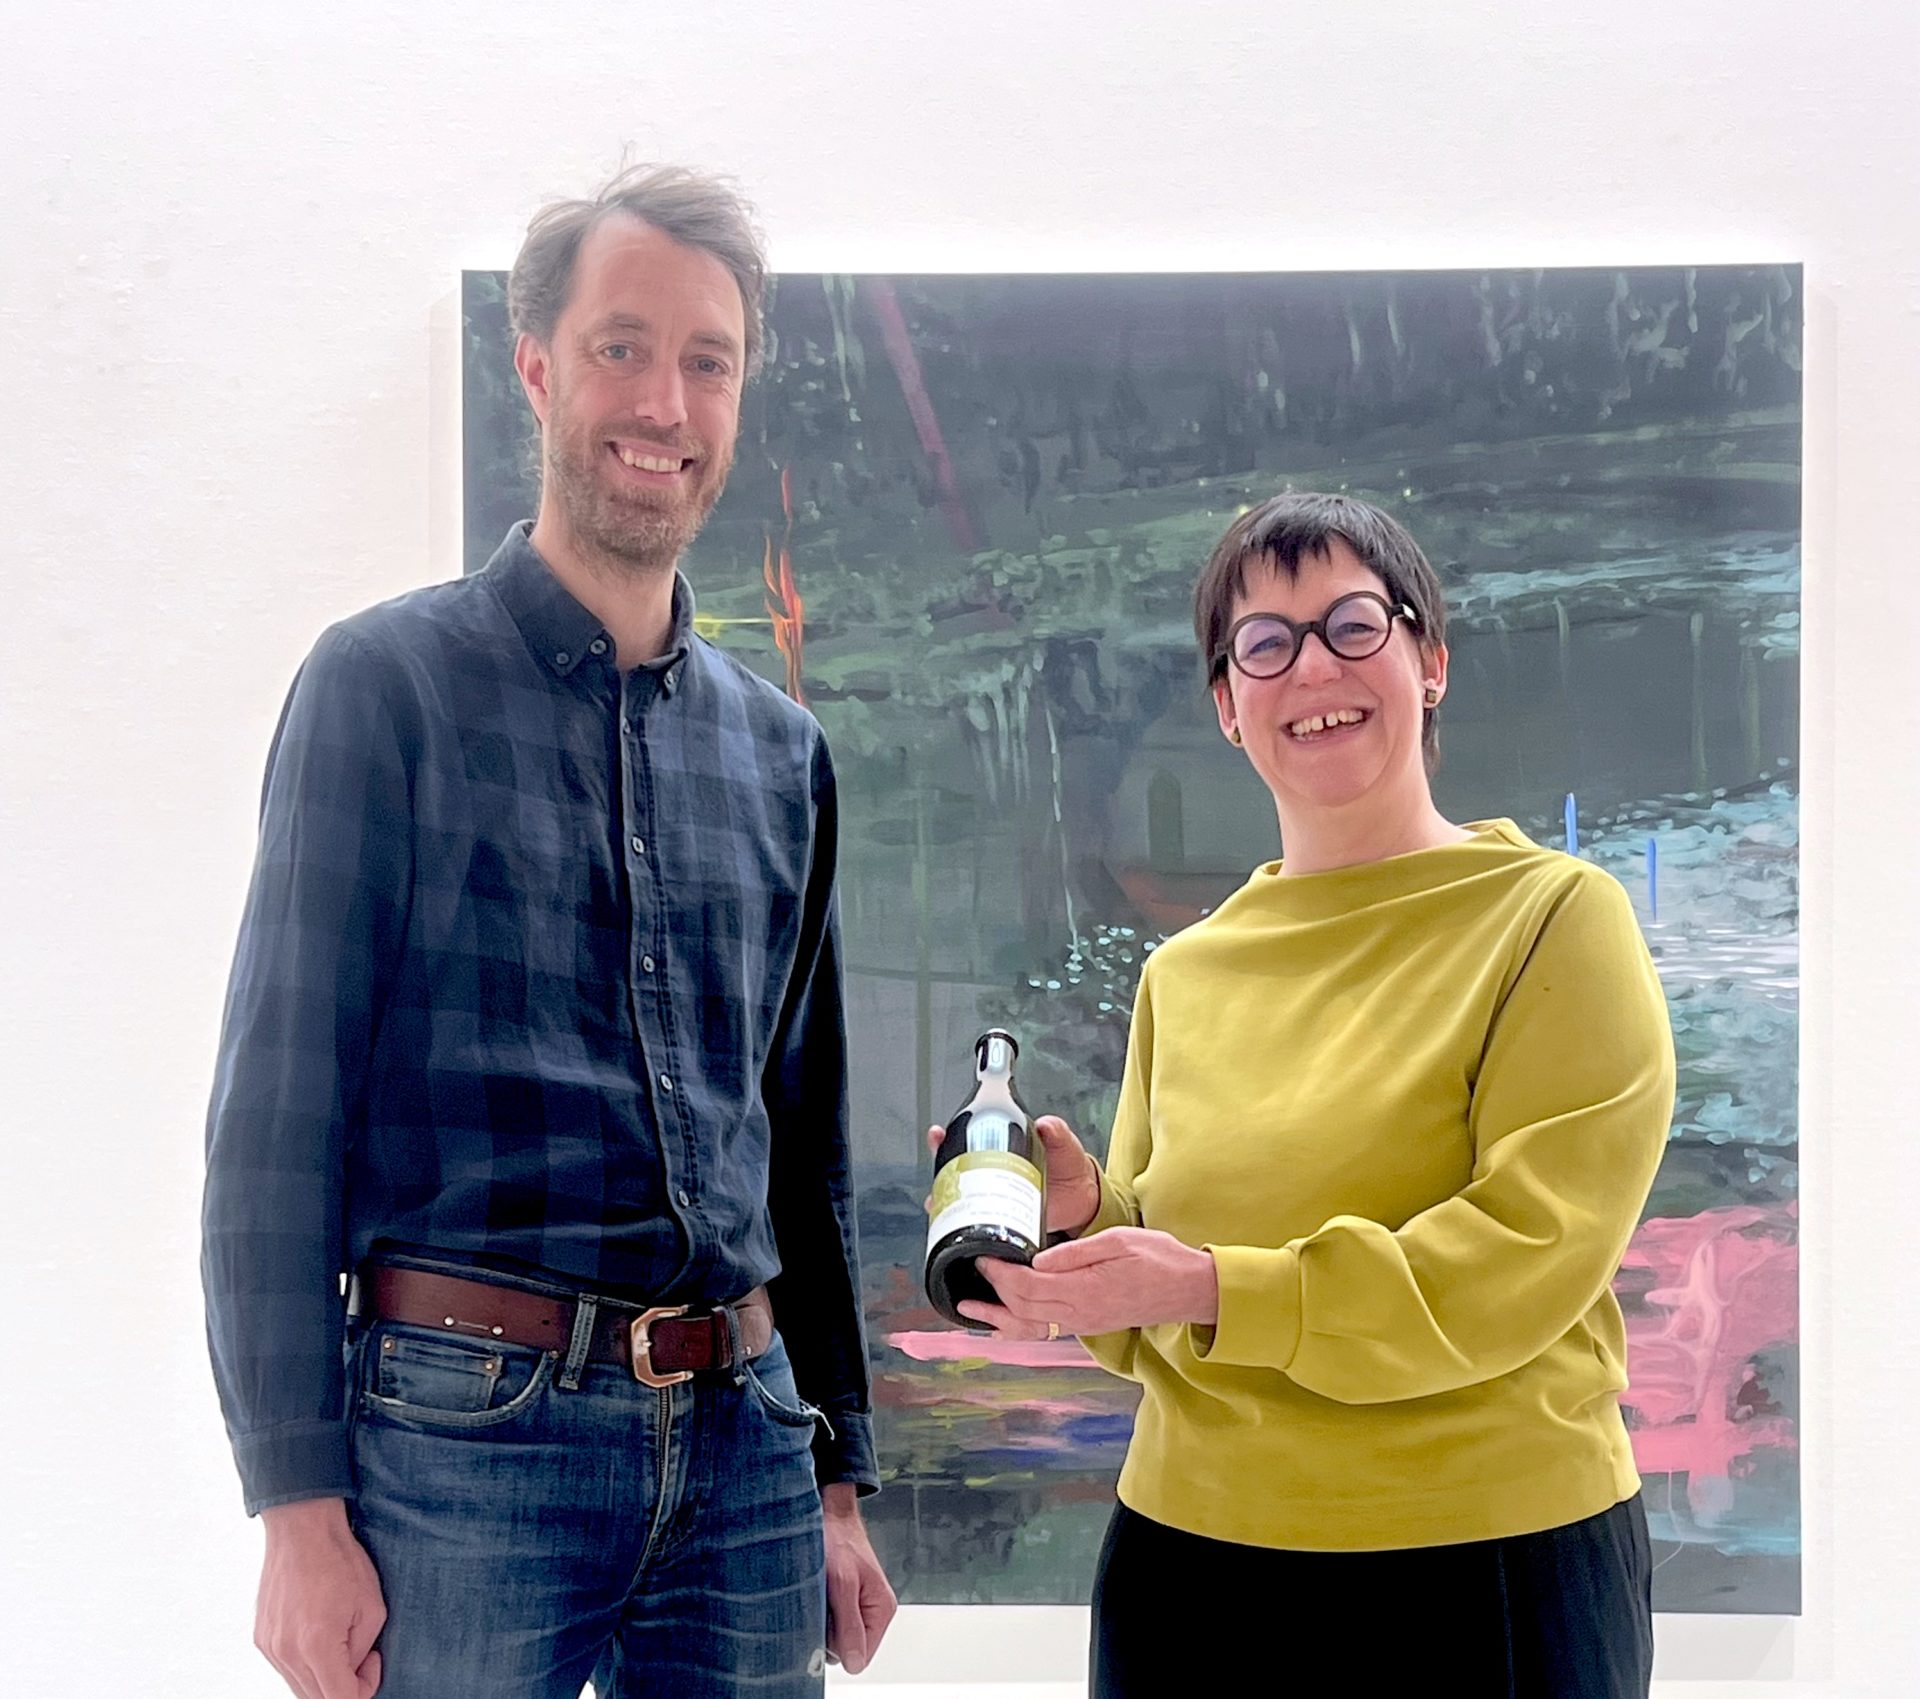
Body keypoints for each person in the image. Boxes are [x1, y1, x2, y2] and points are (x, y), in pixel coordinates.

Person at [203, 163, 896, 1699]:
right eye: (620, 347)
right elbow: (275, 1123)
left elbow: (802, 1144)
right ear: (536, 365)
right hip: (463, 1439)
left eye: (707, 360)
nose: (665, 401)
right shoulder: (382, 687)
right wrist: (294, 1505)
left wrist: (838, 1473)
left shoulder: (783, 755)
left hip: (746, 1449)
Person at [946, 492, 1674, 1697]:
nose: (1314, 669)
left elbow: (1526, 1254)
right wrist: (1083, 1222)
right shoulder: (1186, 971)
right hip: (1190, 1571)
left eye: (1353, 624)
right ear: (1228, 706)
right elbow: (1156, 1312)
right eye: (1266, 643)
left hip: (1488, 1560)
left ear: (1430, 662)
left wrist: (1210, 1283)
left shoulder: (1553, 917)